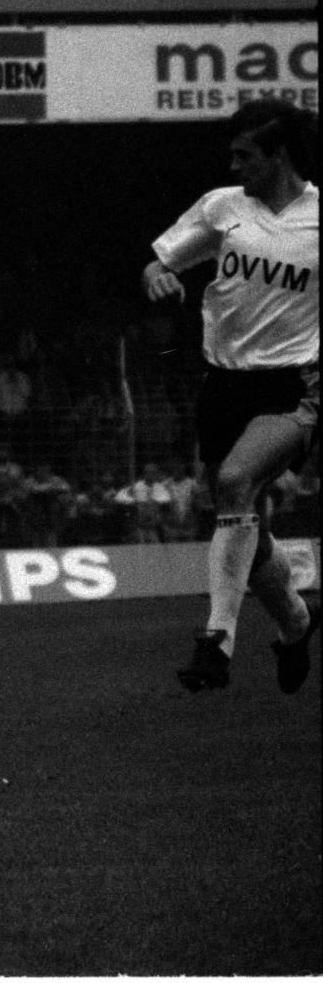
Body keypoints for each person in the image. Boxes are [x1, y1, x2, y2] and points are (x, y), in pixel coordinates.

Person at [143, 101, 317, 693]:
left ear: (279, 156)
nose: (234, 163)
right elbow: (157, 264)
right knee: (244, 522)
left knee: (238, 482)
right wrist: (160, 277)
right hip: (224, 384)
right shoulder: (222, 207)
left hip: (293, 384)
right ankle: (296, 622)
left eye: (246, 155)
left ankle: (217, 641)